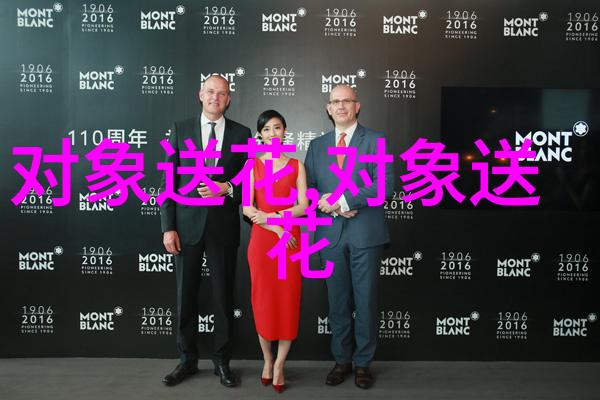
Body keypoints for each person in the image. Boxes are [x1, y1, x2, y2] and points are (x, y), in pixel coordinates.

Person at [159, 75, 251, 387]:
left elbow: (250, 182)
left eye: (222, 93)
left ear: (229, 99)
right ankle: (186, 360)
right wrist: (168, 227)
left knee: (223, 298)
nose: (215, 97)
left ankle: (222, 362)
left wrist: (228, 188)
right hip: (186, 228)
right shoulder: (180, 129)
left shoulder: (242, 134)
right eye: (210, 91)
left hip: (223, 228)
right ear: (200, 94)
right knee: (186, 297)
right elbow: (168, 180)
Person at [304, 85, 394, 389]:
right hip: (330, 236)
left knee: (365, 301)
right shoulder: (317, 146)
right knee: (337, 302)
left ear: (357, 106)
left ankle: (363, 363)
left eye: (347, 101)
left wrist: (342, 201)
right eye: (335, 101)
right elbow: (308, 188)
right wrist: (324, 201)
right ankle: (341, 360)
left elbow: (384, 186)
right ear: (328, 109)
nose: (341, 106)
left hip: (365, 234)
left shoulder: (376, 141)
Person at [243, 110, 308, 393]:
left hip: (290, 242)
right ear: (260, 135)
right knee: (264, 301)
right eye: (267, 129)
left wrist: (277, 218)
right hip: (263, 242)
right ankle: (267, 360)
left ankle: (280, 363)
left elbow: (303, 205)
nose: (272, 133)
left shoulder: (296, 165)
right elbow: (248, 209)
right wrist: (276, 228)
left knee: (287, 301)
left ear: (285, 132)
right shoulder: (252, 167)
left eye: (277, 127)